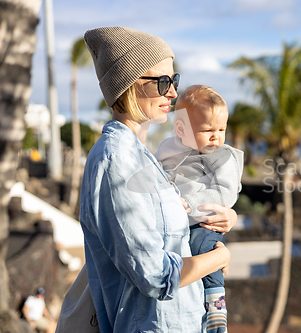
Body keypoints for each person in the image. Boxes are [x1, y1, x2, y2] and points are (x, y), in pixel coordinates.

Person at [80, 27, 235, 333]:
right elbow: (155, 274)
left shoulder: (143, 158)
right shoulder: (116, 161)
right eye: (162, 81)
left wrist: (220, 215)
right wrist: (218, 258)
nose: (174, 92)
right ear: (127, 85)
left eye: (174, 80)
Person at [155, 85, 244, 333]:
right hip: (179, 221)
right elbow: (157, 174)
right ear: (182, 129)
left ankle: (217, 308)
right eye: (207, 130)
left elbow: (226, 192)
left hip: (205, 220)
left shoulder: (222, 156)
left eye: (222, 129)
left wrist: (192, 204)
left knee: (207, 250)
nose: (216, 137)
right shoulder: (167, 148)